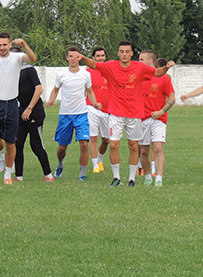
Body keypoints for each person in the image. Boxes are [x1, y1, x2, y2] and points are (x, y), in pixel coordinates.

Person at [73, 41, 175, 187]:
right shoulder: (111, 66)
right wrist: (82, 57)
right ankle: (116, 178)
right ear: (118, 53)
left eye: (127, 51)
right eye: (122, 51)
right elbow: (94, 65)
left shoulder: (139, 67)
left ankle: (132, 179)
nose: (124, 54)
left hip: (134, 114)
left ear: (131, 53)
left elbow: (158, 73)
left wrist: (166, 67)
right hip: (115, 113)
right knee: (113, 144)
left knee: (134, 146)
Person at [0, 32, 37, 185]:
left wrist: (24, 45)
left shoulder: (17, 57)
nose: (2, 48)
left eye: (5, 45)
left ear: (10, 45)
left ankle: (8, 174)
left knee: (11, 143)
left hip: (11, 104)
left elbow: (33, 58)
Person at [46, 46, 99, 181]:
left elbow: (90, 91)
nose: (73, 59)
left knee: (84, 144)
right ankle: (60, 164)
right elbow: (55, 90)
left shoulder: (86, 75)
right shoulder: (62, 75)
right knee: (62, 147)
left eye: (76, 56)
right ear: (67, 58)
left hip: (81, 114)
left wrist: (95, 103)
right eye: (70, 56)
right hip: (65, 115)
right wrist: (51, 100)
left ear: (80, 57)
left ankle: (82, 173)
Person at [12, 46, 53, 182]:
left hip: (34, 112)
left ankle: (48, 175)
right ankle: (18, 176)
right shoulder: (12, 72)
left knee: (36, 144)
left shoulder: (29, 70)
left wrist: (29, 108)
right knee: (18, 144)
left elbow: (39, 89)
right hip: (21, 111)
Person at [139, 52, 176, 187]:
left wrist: (161, 111)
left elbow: (172, 99)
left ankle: (159, 178)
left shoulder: (164, 78)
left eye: (141, 59)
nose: (138, 61)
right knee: (144, 150)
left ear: (150, 62)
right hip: (142, 119)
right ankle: (148, 177)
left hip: (159, 119)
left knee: (158, 147)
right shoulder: (138, 77)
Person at [86, 47, 110, 174]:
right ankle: (95, 165)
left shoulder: (110, 71)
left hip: (107, 110)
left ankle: (100, 160)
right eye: (98, 56)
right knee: (93, 137)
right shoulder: (88, 72)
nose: (100, 58)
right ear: (93, 58)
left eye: (102, 55)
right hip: (91, 108)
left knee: (106, 140)